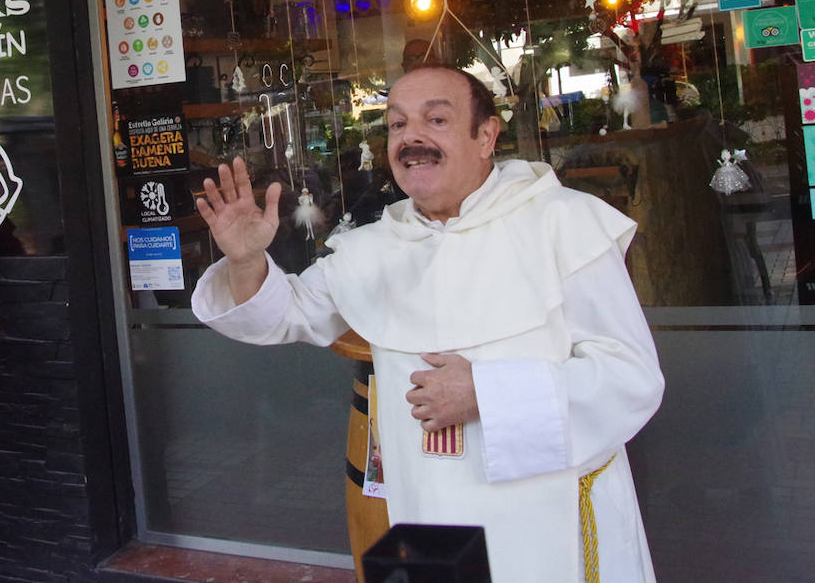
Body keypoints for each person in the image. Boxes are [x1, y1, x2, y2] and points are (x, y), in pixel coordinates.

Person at [191, 66, 664, 582]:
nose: (411, 138)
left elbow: (631, 379)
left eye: (436, 119)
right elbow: (282, 316)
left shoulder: (565, 223)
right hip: (429, 515)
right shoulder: (371, 248)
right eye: (397, 125)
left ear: (486, 136)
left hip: (550, 522)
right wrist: (244, 261)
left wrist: (485, 393)